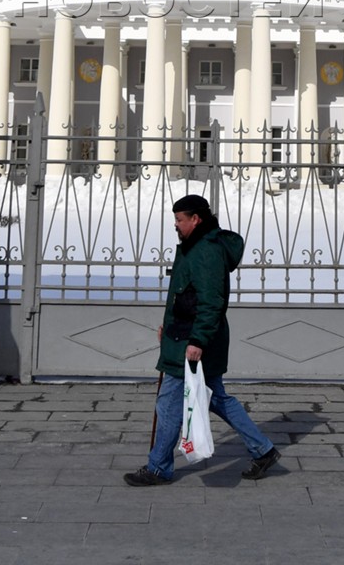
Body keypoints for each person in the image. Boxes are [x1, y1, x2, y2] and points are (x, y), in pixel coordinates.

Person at [123, 193, 281, 486]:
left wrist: (197, 340)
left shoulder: (205, 251)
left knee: (169, 404)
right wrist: (169, 326)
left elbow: (211, 301)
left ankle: (158, 468)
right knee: (216, 398)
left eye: (180, 220)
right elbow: (187, 296)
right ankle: (264, 449)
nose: (176, 225)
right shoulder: (194, 246)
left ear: (196, 219)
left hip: (193, 343)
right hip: (185, 337)